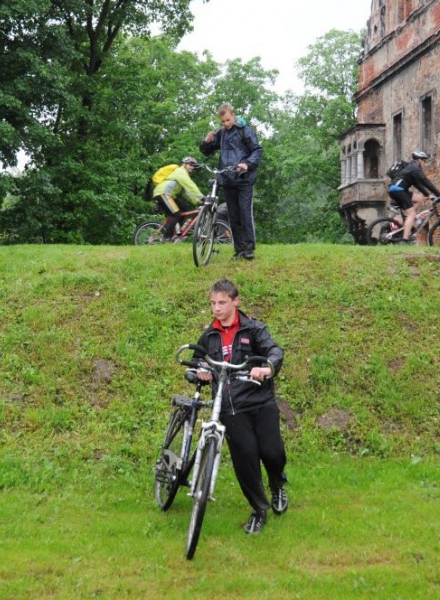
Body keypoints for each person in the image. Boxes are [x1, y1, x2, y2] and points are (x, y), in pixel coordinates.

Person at [194, 278, 287, 534]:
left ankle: (277, 484)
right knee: (245, 458)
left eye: (222, 302)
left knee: (272, 451)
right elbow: (197, 359)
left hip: (260, 401)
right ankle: (259, 510)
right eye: (213, 303)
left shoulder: (254, 328)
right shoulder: (209, 334)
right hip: (231, 407)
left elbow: (275, 351)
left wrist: (266, 367)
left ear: (236, 301)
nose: (216, 308)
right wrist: (201, 369)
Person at [199, 103, 263, 260]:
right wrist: (206, 142)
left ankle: (248, 250)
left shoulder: (245, 130)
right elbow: (206, 151)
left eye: (228, 120)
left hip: (243, 179)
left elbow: (257, 150)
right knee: (233, 216)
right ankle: (239, 249)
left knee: (244, 213)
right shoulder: (221, 133)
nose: (226, 124)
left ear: (233, 115)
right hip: (227, 179)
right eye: (223, 122)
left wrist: (247, 164)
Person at [387, 150, 440, 243]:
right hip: (398, 190)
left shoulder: (411, 168)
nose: (425, 163)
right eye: (424, 161)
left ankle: (411, 220)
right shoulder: (415, 168)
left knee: (419, 198)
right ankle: (405, 239)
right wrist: (439, 194)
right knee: (411, 213)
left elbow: (418, 185)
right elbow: (425, 182)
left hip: (395, 189)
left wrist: (429, 195)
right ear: (419, 160)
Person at [153, 157, 204, 241]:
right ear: (184, 164)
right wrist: (202, 197)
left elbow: (187, 192)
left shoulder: (183, 173)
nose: (192, 167)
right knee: (177, 214)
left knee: (184, 208)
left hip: (169, 195)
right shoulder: (180, 172)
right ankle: (165, 237)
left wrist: (198, 201)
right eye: (190, 165)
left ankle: (176, 233)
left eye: (193, 166)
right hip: (163, 193)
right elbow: (190, 186)